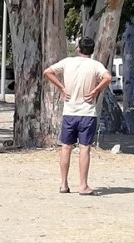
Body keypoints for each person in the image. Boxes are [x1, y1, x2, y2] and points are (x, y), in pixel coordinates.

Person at [43, 37, 112, 195]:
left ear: (78, 49)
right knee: (84, 148)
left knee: (66, 147)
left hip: (69, 112)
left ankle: (63, 184)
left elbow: (48, 72)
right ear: (92, 50)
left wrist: (62, 87)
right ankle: (83, 185)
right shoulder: (95, 65)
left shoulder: (68, 62)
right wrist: (95, 91)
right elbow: (108, 78)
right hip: (87, 113)